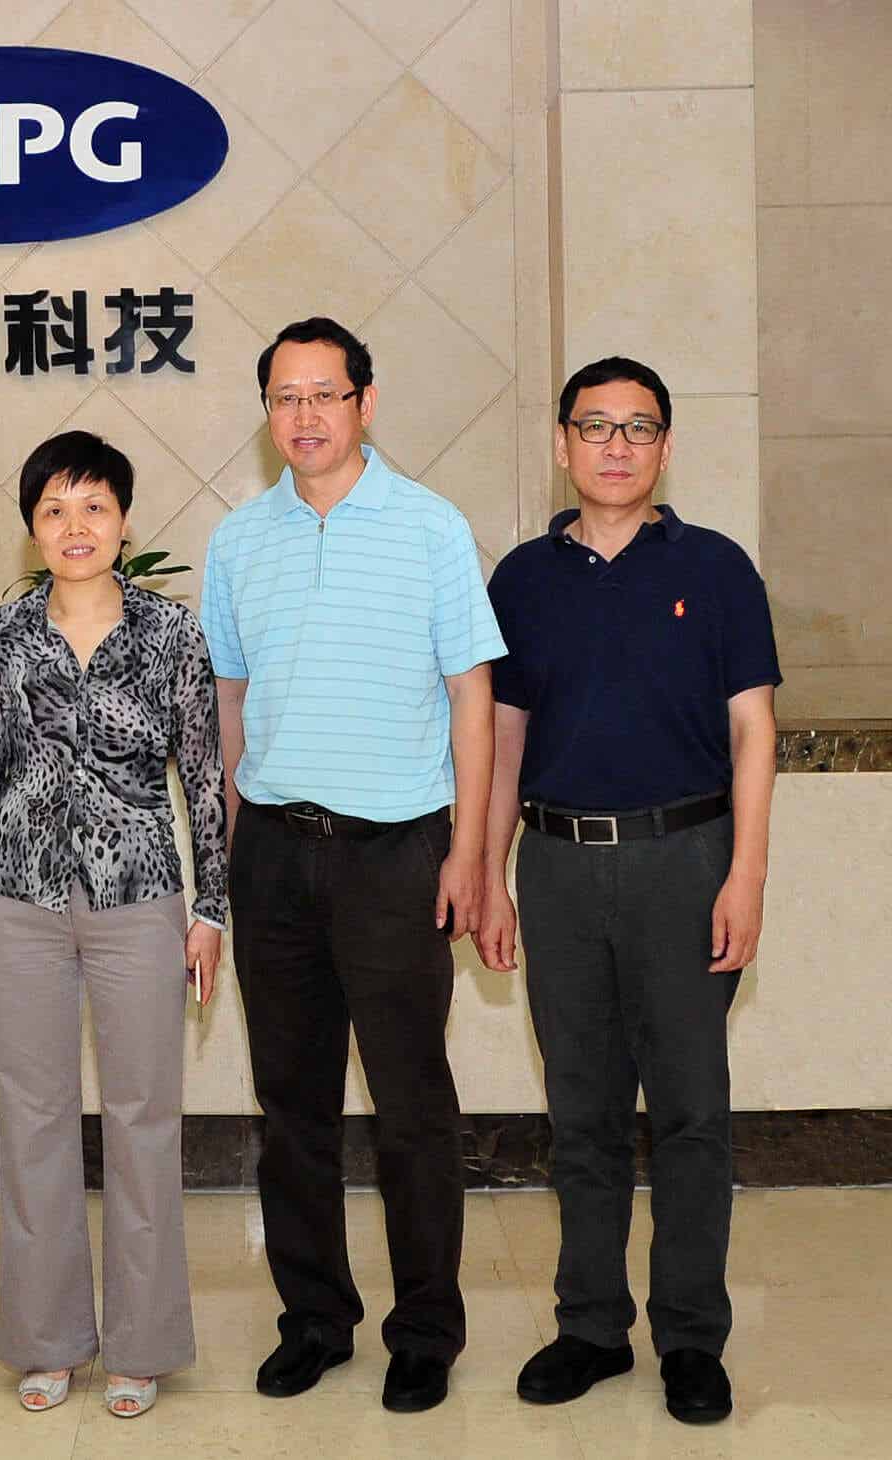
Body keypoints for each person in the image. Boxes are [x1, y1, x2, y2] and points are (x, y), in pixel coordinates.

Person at [200, 317, 504, 1413]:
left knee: (413, 1104)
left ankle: (425, 1328)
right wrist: (232, 844)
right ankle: (316, 1319)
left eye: (325, 394)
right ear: (267, 413)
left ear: (365, 403)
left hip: (396, 853)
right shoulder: (240, 539)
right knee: (292, 1105)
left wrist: (468, 851)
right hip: (276, 852)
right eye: (285, 397)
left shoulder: (430, 526)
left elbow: (472, 697)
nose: (305, 416)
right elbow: (230, 699)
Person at [479, 358, 778, 1427]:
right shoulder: (523, 578)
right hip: (558, 864)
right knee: (584, 1111)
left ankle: (691, 1336)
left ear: (665, 446)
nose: (616, 445)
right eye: (595, 425)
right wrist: (488, 871)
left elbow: (754, 729)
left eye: (638, 427)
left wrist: (746, 873)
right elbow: (505, 736)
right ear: (562, 442)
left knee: (692, 1111)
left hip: (685, 859)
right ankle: (592, 1327)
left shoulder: (717, 567)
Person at [0, 430, 228, 1420]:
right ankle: (47, 1338)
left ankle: (142, 1344)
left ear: (124, 520)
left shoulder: (171, 632)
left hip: (140, 898)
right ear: (33, 526)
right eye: (55, 509)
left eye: (95, 506)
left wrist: (211, 906)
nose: (76, 526)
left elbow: (205, 777)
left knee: (144, 1116)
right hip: (19, 900)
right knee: (32, 1117)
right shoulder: (1, 633)